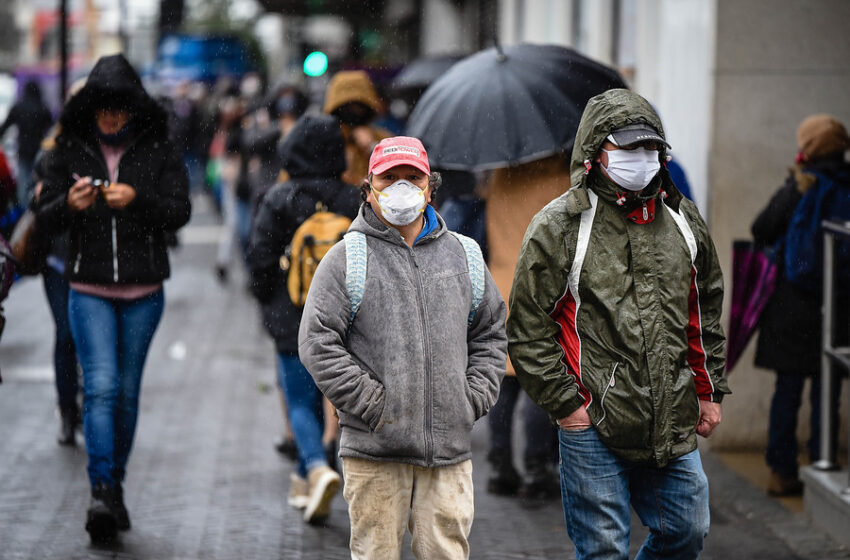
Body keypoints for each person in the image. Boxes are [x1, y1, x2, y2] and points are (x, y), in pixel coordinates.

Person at [507, 88, 730, 560]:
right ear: (595, 154)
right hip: (593, 423)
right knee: (604, 550)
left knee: (687, 531)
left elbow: (703, 305)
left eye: (650, 148)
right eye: (627, 148)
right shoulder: (561, 226)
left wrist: (708, 390)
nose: (641, 158)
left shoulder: (682, 217)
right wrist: (568, 406)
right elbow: (528, 328)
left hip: (671, 420)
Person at [298, 136, 507, 558]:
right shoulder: (346, 257)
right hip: (374, 453)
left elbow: (490, 332)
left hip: (449, 453)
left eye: (413, 177)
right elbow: (316, 342)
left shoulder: (464, 255)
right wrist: (374, 405)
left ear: (431, 187)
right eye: (389, 177)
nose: (401, 187)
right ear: (368, 186)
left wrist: (471, 398)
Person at [35, 53, 191, 543]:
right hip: (87, 287)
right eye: (103, 107)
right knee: (99, 387)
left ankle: (116, 485)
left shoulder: (159, 148)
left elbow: (180, 212)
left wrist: (137, 200)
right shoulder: (68, 148)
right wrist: (69, 204)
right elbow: (43, 217)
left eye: (121, 107)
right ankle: (101, 489)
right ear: (88, 107)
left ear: (135, 108)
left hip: (145, 291)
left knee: (125, 393)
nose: (111, 116)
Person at [246, 114, 360, 523]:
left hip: (290, 316)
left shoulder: (279, 197)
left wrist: (268, 302)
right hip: (344, 318)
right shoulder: (354, 200)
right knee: (332, 396)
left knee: (298, 399)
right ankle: (308, 478)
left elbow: (258, 259)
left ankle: (314, 465)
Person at [752, 114, 850, 496]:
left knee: (787, 390)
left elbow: (762, 228)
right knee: (829, 390)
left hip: (793, 306)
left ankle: (782, 471)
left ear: (807, 147)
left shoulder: (801, 185)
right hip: (839, 306)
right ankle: (824, 463)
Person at [323, 70, 393, 185]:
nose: (353, 111)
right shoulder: (323, 142)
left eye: (359, 106)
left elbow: (398, 177)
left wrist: (372, 148)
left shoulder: (383, 139)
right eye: (346, 107)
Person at [0, 80, 53, 206]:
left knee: (23, 184)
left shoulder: (19, 107)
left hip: (23, 150)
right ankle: (33, 205)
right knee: (36, 180)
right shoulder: (42, 107)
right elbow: (50, 128)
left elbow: (6, 125)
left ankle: (23, 208)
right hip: (38, 151)